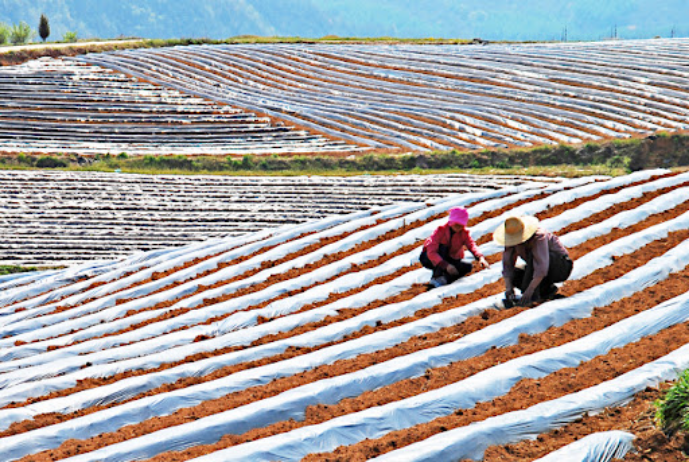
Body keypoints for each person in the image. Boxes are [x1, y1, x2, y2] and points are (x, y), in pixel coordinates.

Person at [493, 215, 573, 307]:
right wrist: (509, 287)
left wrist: (529, 291)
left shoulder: (538, 236)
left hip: (560, 267)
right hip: (538, 267)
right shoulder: (511, 242)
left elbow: (541, 266)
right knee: (515, 273)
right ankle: (547, 290)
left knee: (533, 259)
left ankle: (534, 298)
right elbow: (508, 264)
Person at [420, 206, 489, 288]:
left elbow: (471, 245)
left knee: (467, 267)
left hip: (450, 258)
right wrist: (446, 265)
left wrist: (480, 257)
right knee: (442, 249)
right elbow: (431, 252)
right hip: (430, 257)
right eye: (457, 225)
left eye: (461, 225)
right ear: (452, 222)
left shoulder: (464, 233)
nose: (459, 228)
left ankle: (445, 279)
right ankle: (436, 277)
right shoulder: (440, 231)